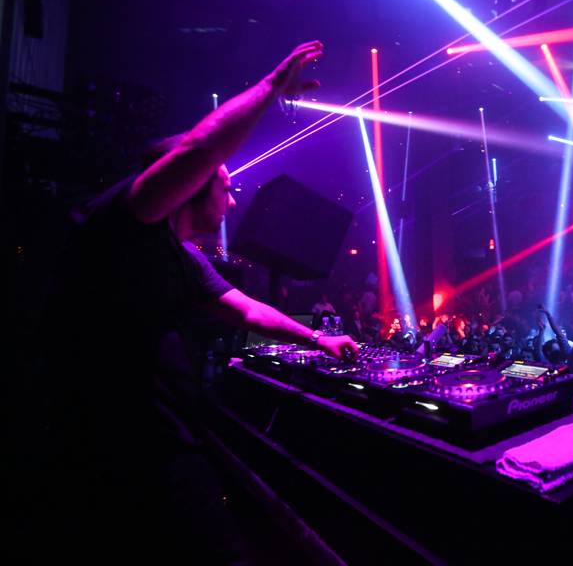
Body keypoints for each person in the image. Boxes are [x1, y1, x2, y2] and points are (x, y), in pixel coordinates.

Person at [32, 41, 359, 561]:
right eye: (224, 186)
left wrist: (318, 339)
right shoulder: (126, 222)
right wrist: (272, 87)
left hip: (157, 440)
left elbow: (247, 310)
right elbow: (198, 150)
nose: (232, 198)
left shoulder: (182, 257)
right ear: (187, 187)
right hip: (110, 445)